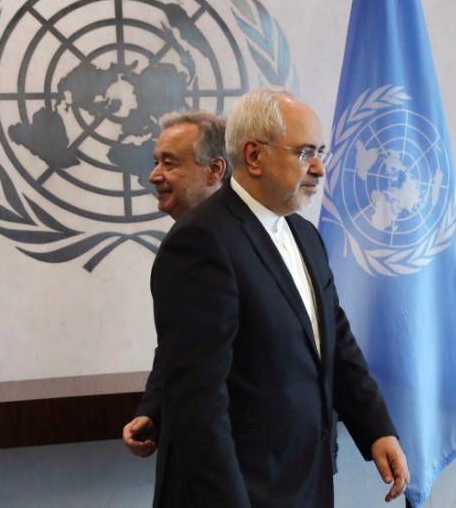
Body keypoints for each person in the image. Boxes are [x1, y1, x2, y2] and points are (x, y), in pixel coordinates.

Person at [149, 86, 409, 507]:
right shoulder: (201, 241)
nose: (320, 169)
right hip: (244, 490)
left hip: (307, 476)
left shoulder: (304, 234)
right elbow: (197, 400)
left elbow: (333, 339)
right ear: (253, 155)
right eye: (305, 152)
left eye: (319, 152)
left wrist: (377, 427)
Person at [122, 109, 229, 457]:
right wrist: (153, 408)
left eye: (169, 163)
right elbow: (182, 344)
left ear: (215, 169)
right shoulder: (191, 236)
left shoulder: (219, 239)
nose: (154, 175)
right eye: (156, 162)